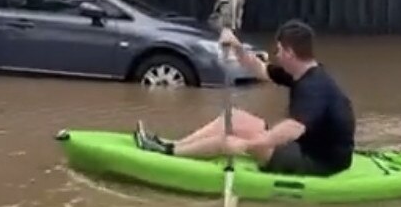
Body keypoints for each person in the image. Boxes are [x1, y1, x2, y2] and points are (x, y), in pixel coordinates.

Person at [133, 19, 356, 177]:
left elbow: (292, 129)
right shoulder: (300, 72)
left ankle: (168, 153)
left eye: (278, 50)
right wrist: (237, 46)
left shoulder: (313, 87)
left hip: (319, 162)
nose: (276, 55)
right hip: (306, 146)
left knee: (229, 140)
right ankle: (172, 145)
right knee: (234, 118)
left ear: (289, 52)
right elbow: (258, 68)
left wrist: (246, 144)